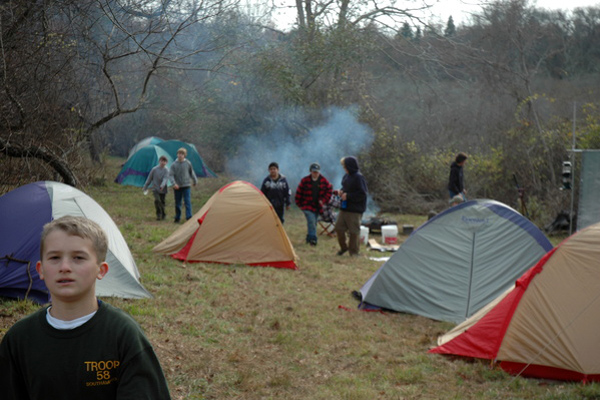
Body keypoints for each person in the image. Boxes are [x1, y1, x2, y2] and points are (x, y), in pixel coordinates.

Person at [0, 216, 171, 399]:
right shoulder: (19, 339)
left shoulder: (123, 335)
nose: (64, 267)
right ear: (41, 270)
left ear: (101, 270)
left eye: (78, 258)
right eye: (55, 257)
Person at [335, 156, 368, 257]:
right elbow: (345, 188)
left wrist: (348, 196)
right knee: (338, 228)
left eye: (345, 166)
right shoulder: (346, 176)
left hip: (355, 210)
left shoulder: (359, 177)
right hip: (344, 208)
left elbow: (363, 194)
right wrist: (341, 192)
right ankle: (344, 248)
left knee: (354, 232)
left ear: (350, 166)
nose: (344, 168)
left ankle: (354, 252)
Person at [295, 162, 332, 246]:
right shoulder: (304, 180)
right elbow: (299, 193)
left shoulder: (324, 181)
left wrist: (323, 200)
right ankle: (313, 240)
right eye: (314, 171)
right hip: (307, 205)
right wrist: (299, 204)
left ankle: (308, 238)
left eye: (317, 172)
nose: (315, 173)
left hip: (318, 206)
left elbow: (329, 191)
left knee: (313, 222)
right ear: (310, 171)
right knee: (311, 221)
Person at [169, 147, 197, 223]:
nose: (180, 155)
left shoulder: (188, 163)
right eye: (179, 154)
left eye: (182, 154)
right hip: (177, 186)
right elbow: (171, 175)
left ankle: (189, 217)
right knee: (178, 202)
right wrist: (174, 184)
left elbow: (192, 172)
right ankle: (177, 217)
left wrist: (195, 181)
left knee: (187, 201)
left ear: (184, 155)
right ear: (177, 154)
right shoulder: (174, 164)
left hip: (186, 185)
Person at [143, 155, 169, 220]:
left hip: (163, 189)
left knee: (162, 202)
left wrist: (162, 186)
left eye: (164, 161)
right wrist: (145, 186)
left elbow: (165, 179)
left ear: (166, 163)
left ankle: (163, 213)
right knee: (157, 200)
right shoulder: (154, 169)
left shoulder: (166, 170)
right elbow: (149, 178)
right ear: (159, 161)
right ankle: (158, 214)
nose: (163, 162)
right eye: (162, 161)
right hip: (155, 188)